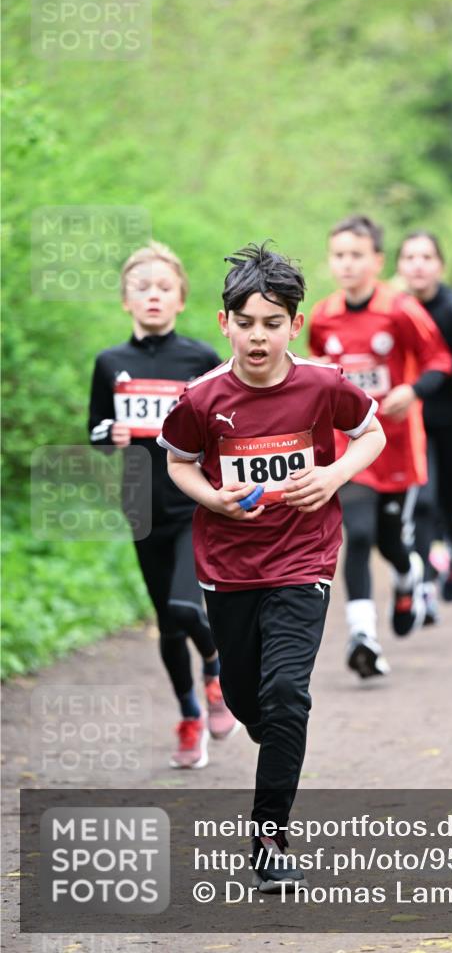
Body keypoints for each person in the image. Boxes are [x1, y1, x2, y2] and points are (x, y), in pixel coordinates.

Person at [158, 242, 385, 891]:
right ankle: (261, 719)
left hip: (303, 556)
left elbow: (371, 434)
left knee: (286, 694)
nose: (258, 336)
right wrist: (212, 497)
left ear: (295, 324)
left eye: (273, 323)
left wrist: (332, 476)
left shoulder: (323, 384)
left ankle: (269, 836)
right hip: (228, 565)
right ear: (224, 322)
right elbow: (177, 461)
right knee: (246, 698)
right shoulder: (201, 398)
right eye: (246, 322)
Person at [88, 241, 235, 770]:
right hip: (140, 504)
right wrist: (111, 433)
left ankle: (216, 669)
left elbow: (226, 426)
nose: (153, 295)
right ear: (126, 300)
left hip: (194, 503)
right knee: (168, 624)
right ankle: (190, 715)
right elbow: (95, 431)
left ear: (181, 299)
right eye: (142, 287)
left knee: (184, 607)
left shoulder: (200, 359)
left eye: (164, 287)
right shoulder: (110, 363)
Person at [309, 215, 452, 677]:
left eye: (356, 255)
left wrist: (413, 390)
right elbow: (318, 368)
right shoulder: (323, 316)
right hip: (350, 446)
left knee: (391, 541)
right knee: (358, 533)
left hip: (396, 445)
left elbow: (439, 359)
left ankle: (409, 575)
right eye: (339, 255)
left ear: (377, 260)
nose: (347, 264)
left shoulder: (401, 309)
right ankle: (363, 635)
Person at [396, 231, 452, 618]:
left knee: (449, 502)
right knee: (423, 503)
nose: (418, 265)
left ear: (440, 265)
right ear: (399, 265)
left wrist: (435, 370)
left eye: (426, 257)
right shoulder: (395, 308)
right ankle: (425, 587)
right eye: (410, 257)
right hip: (414, 423)